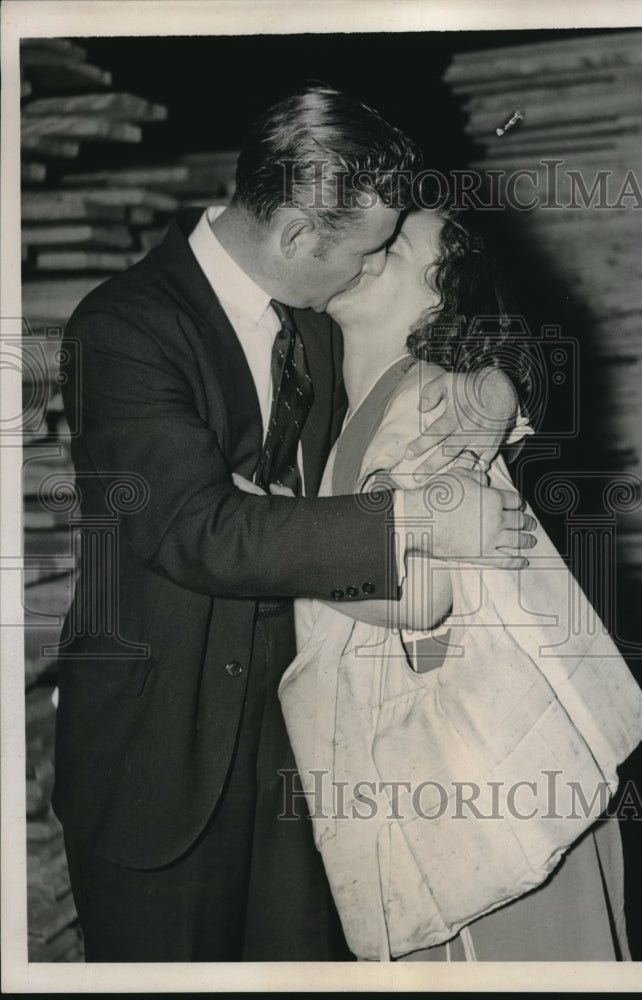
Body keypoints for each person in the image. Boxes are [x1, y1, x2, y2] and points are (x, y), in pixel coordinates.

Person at [52, 86, 536, 962]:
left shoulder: (316, 327)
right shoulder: (124, 327)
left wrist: (492, 397)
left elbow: (440, 382)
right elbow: (198, 531)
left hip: (301, 760)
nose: (371, 268)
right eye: (367, 250)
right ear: (298, 238)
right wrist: (418, 520)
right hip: (159, 767)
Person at [278, 206, 642, 962]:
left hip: (487, 800)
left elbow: (423, 593)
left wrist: (271, 543)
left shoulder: (436, 393)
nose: (372, 247)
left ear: (447, 290)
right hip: (456, 800)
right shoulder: (352, 416)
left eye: (397, 241)